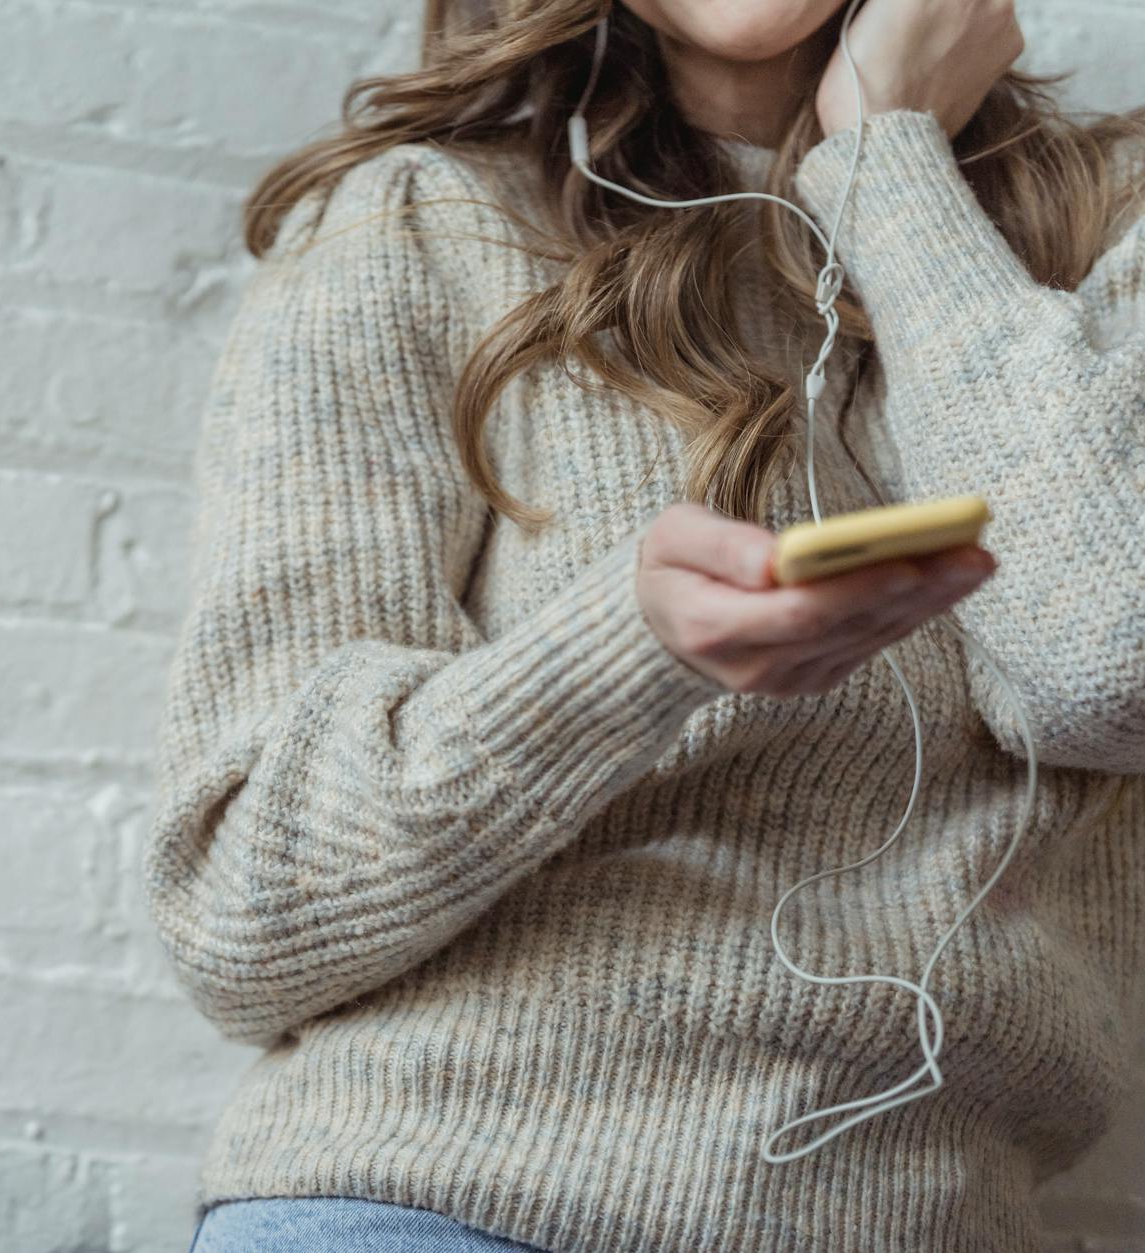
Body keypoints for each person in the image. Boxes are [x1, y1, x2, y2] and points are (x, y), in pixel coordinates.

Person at [141, 0, 1145, 1249]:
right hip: (432, 1202)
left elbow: (1112, 658)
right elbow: (245, 917)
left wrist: (888, 163)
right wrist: (624, 656)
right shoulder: (421, 222)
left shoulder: (1112, 222)